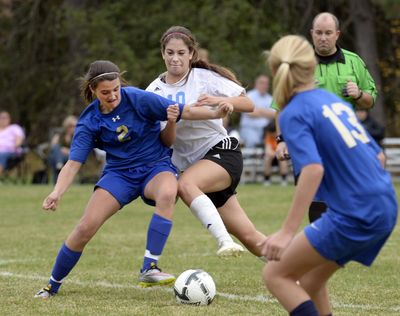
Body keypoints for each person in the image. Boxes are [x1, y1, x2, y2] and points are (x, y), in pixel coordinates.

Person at [34, 60, 233, 299]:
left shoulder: (138, 98)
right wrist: (57, 192)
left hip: (155, 167)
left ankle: (149, 267)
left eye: (116, 89)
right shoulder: (89, 121)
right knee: (86, 227)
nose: (113, 96)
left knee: (169, 192)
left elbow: (186, 111)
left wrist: (217, 112)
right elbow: (73, 163)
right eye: (105, 92)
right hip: (119, 174)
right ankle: (52, 286)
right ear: (93, 90)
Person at [260, 35, 397, 316]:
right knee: (309, 280)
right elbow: (378, 157)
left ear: (275, 71)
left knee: (275, 274)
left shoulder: (292, 113)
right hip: (385, 204)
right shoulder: (335, 102)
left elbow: (312, 169)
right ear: (312, 66)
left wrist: (287, 232)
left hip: (356, 213)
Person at [146, 25, 267, 259]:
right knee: (250, 236)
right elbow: (165, 140)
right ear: (162, 53)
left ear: (191, 54)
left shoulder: (204, 77)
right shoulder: (153, 91)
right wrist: (170, 123)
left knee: (185, 185)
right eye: (170, 52)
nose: (175, 58)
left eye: (181, 53)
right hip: (195, 168)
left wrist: (220, 100)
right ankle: (295, 271)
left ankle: (223, 242)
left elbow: (249, 105)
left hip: (222, 152)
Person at [275, 12, 380, 222]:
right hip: (307, 141)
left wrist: (358, 94)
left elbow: (371, 100)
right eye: (319, 33)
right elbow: (280, 105)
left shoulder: (353, 62)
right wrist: (281, 140)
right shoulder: (298, 64)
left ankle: (334, 247)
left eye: (328, 33)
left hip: (342, 142)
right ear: (312, 34)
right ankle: (324, 248)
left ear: (337, 34)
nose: (323, 37)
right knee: (315, 202)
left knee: (343, 201)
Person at [239, 75, 276, 148]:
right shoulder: (249, 95)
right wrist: (266, 112)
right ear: (256, 84)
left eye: (266, 83)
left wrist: (259, 111)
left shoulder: (271, 98)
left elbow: (275, 114)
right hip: (250, 129)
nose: (264, 85)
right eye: (262, 83)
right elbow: (250, 113)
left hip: (266, 131)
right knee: (253, 143)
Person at [48, 115, 78, 183]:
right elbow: (53, 146)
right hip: (58, 156)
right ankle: (59, 163)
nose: (72, 128)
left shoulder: (76, 137)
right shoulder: (60, 134)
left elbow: (78, 150)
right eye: (70, 126)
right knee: (56, 148)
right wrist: (60, 150)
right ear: (66, 126)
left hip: (70, 157)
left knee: (55, 157)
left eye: (74, 126)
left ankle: (59, 164)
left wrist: (66, 151)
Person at [0, 110, 25, 177]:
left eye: (5, 118)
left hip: (11, 152)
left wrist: (14, 146)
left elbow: (19, 141)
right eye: (1, 118)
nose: (3, 120)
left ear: (9, 119)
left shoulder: (14, 128)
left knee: (2, 154)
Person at [263, 121, 288, 186]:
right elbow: (268, 150)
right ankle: (267, 179)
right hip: (272, 157)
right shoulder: (269, 136)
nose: (271, 135)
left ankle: (284, 179)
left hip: (281, 156)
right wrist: (275, 153)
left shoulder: (282, 137)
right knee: (267, 158)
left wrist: (278, 153)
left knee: (283, 158)